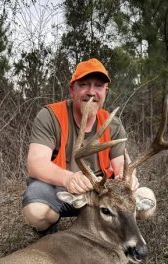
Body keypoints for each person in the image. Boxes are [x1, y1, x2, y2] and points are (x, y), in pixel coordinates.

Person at [22, 58, 156, 234]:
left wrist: (128, 178)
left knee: (147, 200)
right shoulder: (51, 116)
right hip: (61, 191)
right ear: (72, 89)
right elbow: (36, 163)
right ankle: (48, 234)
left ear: (105, 91)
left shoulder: (112, 124)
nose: (91, 92)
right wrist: (68, 179)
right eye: (84, 84)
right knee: (36, 210)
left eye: (98, 86)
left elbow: (120, 165)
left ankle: (110, 233)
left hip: (102, 197)